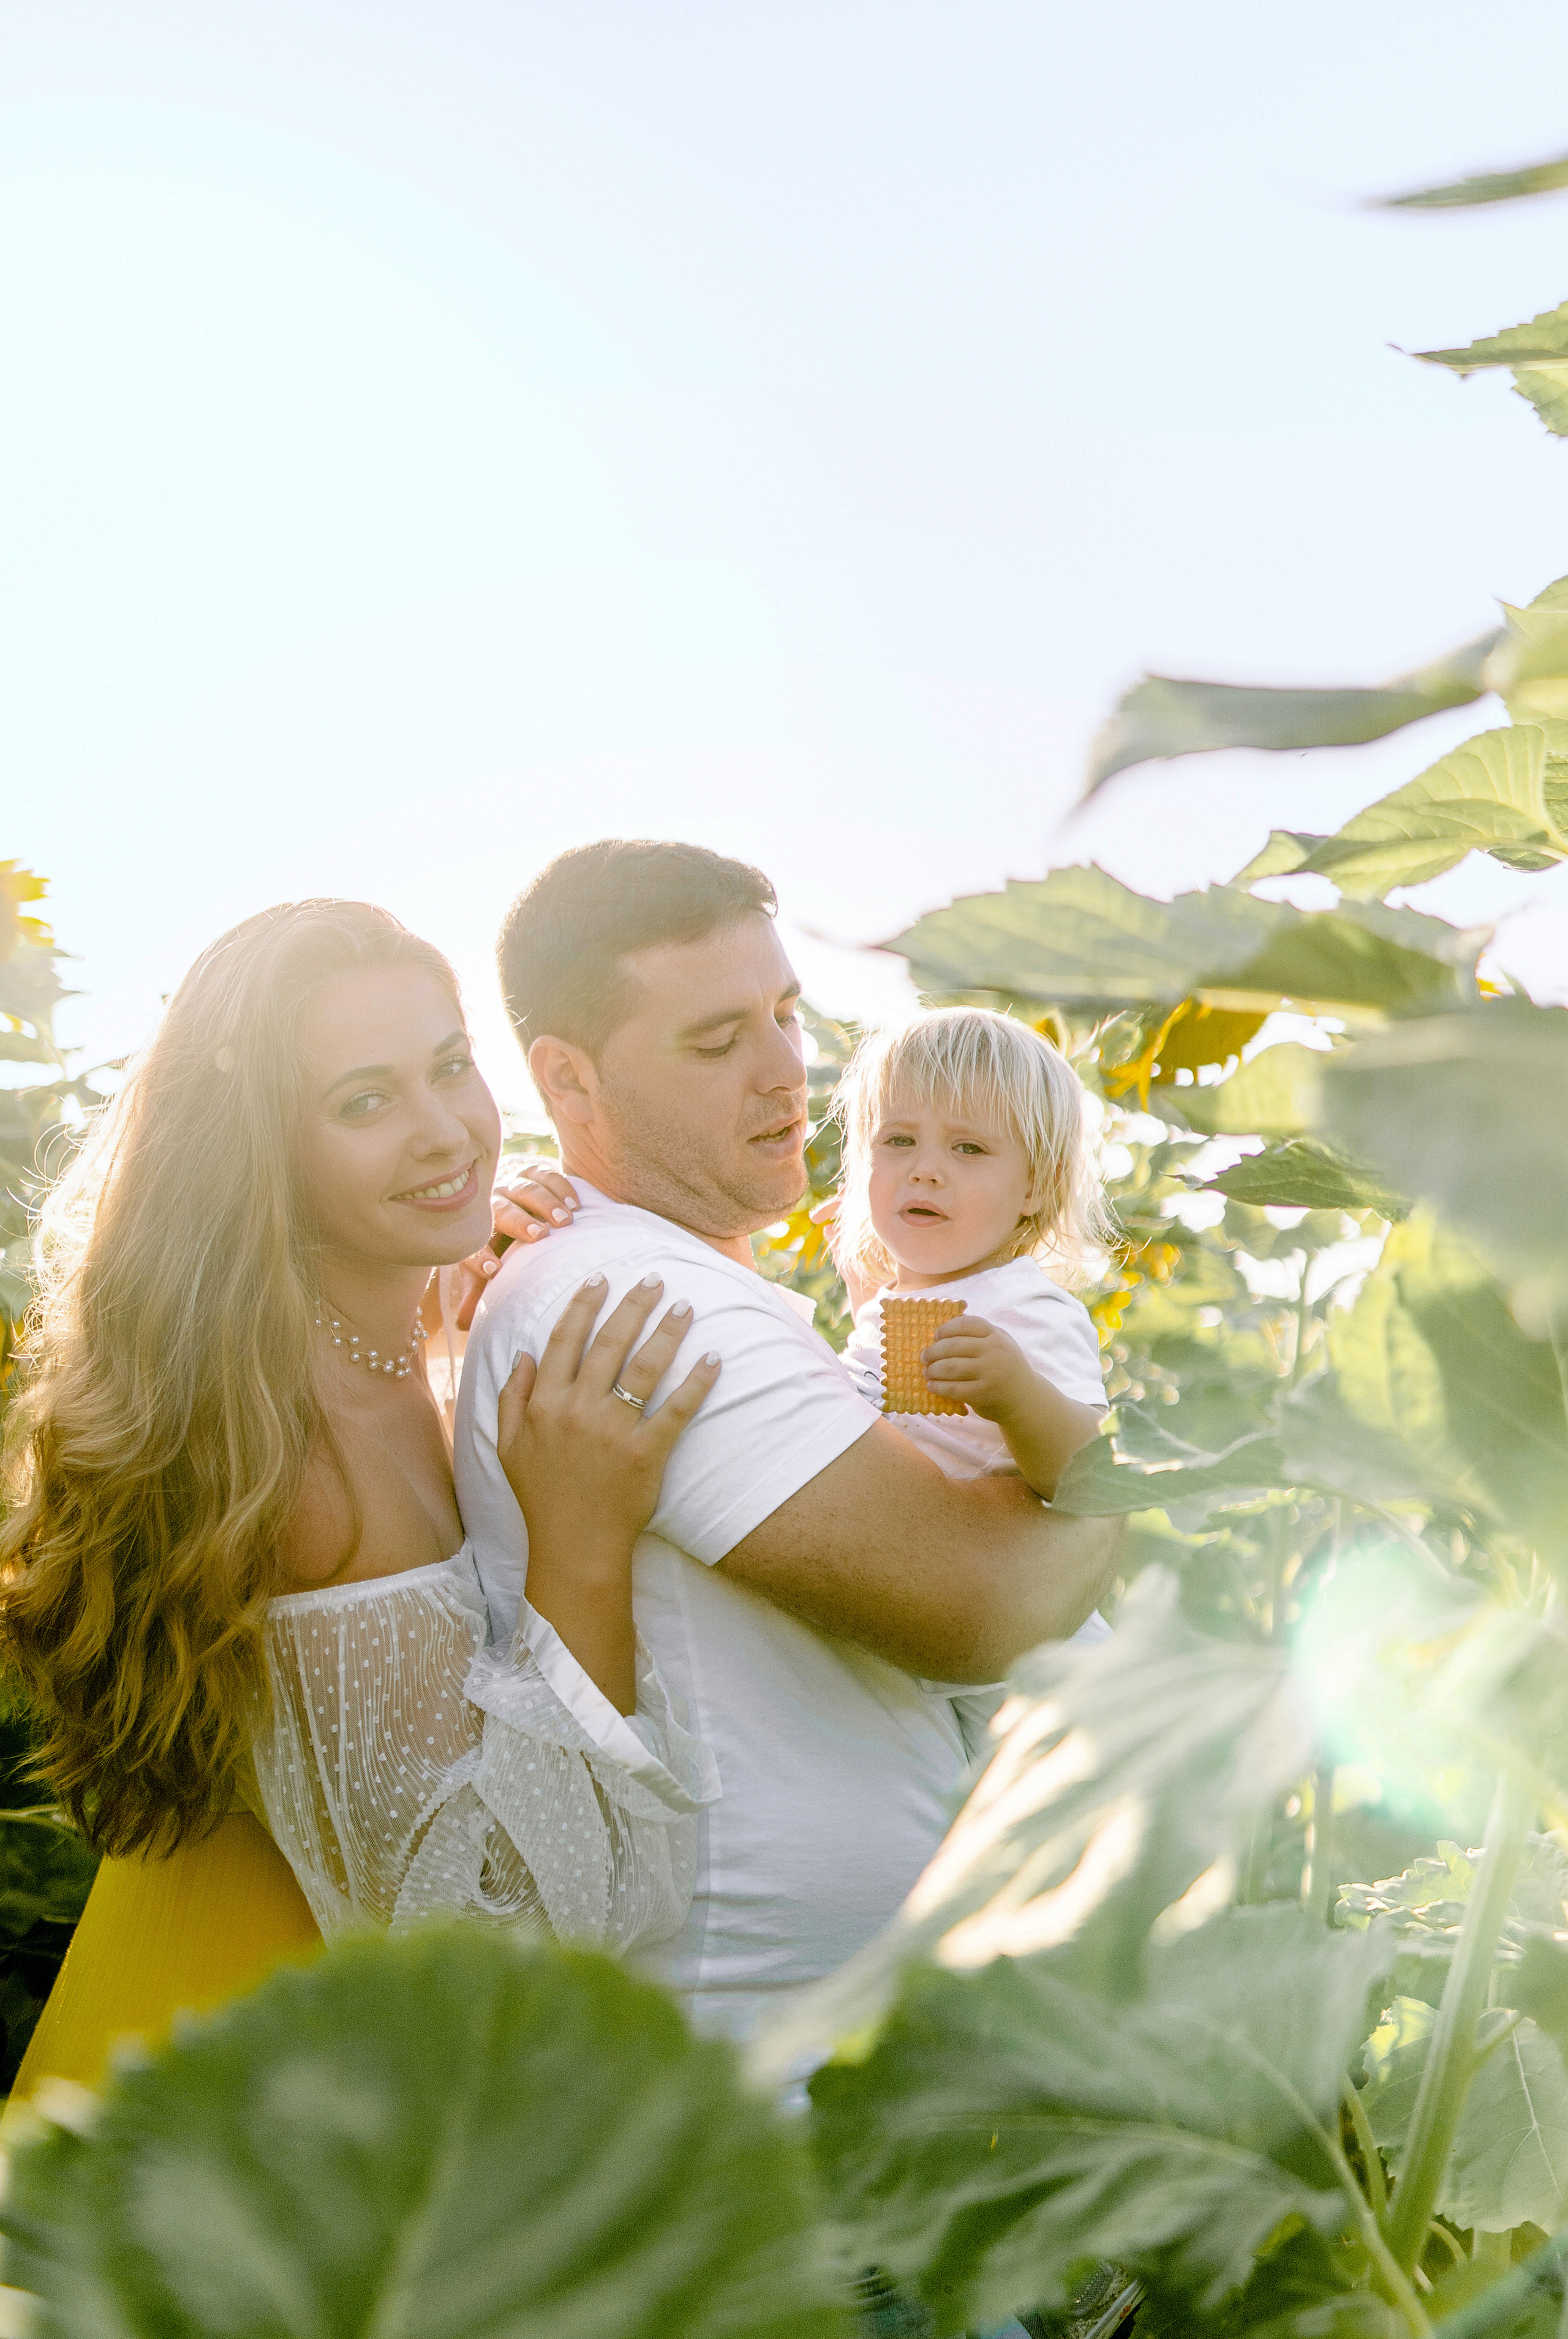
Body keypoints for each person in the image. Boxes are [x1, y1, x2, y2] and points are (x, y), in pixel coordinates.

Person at [1, 898, 718, 2101]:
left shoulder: (387, 1349)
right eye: (364, 1102)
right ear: (261, 1151)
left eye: (450, 1069)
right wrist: (580, 1544)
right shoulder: (304, 1469)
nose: (446, 1131)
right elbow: (493, 1936)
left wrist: (469, 1268)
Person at [455, 840, 1124, 2040]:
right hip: (750, 2058)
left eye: (784, 1015)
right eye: (717, 1043)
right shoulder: (631, 1304)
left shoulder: (686, 1280)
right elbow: (982, 1603)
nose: (785, 1075)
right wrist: (1114, 1493)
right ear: (569, 1085)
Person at [829, 1005, 1114, 1759]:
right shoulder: (892, 1309)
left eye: (968, 1147)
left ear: (1035, 1188)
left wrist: (1017, 1394)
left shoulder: (1025, 1308)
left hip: (1040, 1670)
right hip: (932, 1655)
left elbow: (1093, 1473)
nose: (925, 1168)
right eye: (898, 1141)